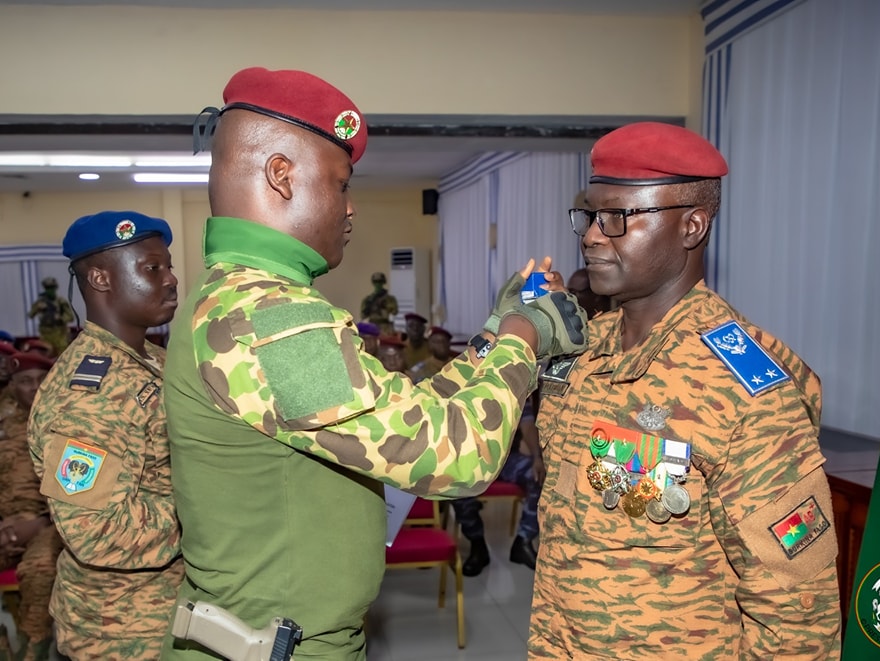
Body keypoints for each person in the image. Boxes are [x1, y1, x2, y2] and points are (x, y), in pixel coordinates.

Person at [161, 66, 587, 661]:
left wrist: (494, 333)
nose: (350, 208)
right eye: (339, 185)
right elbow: (456, 457)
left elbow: (407, 416)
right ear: (280, 176)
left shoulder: (241, 298)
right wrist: (525, 334)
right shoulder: (268, 317)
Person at [529, 122, 841, 659]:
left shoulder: (744, 386)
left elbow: (795, 608)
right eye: (591, 215)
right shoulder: (579, 353)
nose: (592, 236)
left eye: (619, 218)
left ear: (692, 226)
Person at [28, 210, 183, 660]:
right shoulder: (87, 396)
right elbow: (97, 531)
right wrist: (207, 507)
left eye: (169, 266)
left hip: (169, 611)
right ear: (100, 278)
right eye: (153, 268)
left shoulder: (153, 359)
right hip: (123, 634)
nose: (171, 279)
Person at [0, 352, 61, 661]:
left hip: (50, 527)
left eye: (41, 380)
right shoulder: (4, 427)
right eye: (25, 381)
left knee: (41, 569)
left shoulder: (67, 421)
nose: (34, 387)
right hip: (6, 525)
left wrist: (39, 525)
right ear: (12, 385)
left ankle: (33, 647)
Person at [452, 393, 543, 576]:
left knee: (538, 475)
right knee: (456, 484)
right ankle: (477, 545)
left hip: (507, 460)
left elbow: (527, 423)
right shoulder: (464, 386)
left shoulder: (512, 387)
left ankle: (523, 541)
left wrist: (536, 457)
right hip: (474, 460)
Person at [27, 277, 74, 357]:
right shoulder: (41, 301)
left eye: (52, 288)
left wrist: (61, 319)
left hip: (59, 333)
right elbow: (30, 315)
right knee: (46, 354)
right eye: (48, 288)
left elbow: (70, 316)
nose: (50, 290)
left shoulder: (60, 301)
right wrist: (38, 308)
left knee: (63, 355)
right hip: (45, 334)